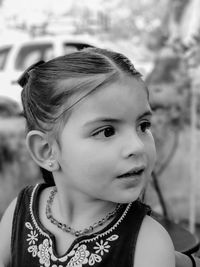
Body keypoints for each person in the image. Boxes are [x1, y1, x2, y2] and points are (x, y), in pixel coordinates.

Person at [0, 48, 175, 267]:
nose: (137, 146)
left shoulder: (148, 243)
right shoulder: (21, 212)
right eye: (107, 131)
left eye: (143, 126)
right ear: (46, 150)